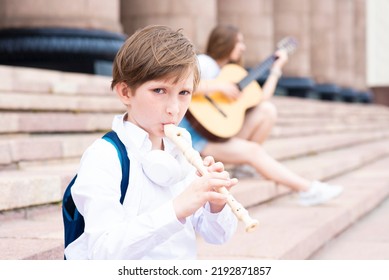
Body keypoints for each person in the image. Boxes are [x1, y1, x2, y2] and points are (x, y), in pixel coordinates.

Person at [64, 25, 238, 260]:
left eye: (184, 93)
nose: (174, 109)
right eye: (159, 90)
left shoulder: (182, 152)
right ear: (126, 92)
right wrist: (176, 209)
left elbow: (218, 236)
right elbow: (102, 253)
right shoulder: (104, 157)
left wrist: (215, 206)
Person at [180, 24, 343, 206]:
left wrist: (276, 69)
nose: (243, 47)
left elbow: (261, 98)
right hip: (195, 140)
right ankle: (308, 189)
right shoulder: (205, 63)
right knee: (254, 151)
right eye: (239, 42)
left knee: (267, 110)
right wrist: (219, 87)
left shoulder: (230, 72)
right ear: (225, 43)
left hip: (214, 134)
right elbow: (180, 84)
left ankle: (242, 167)